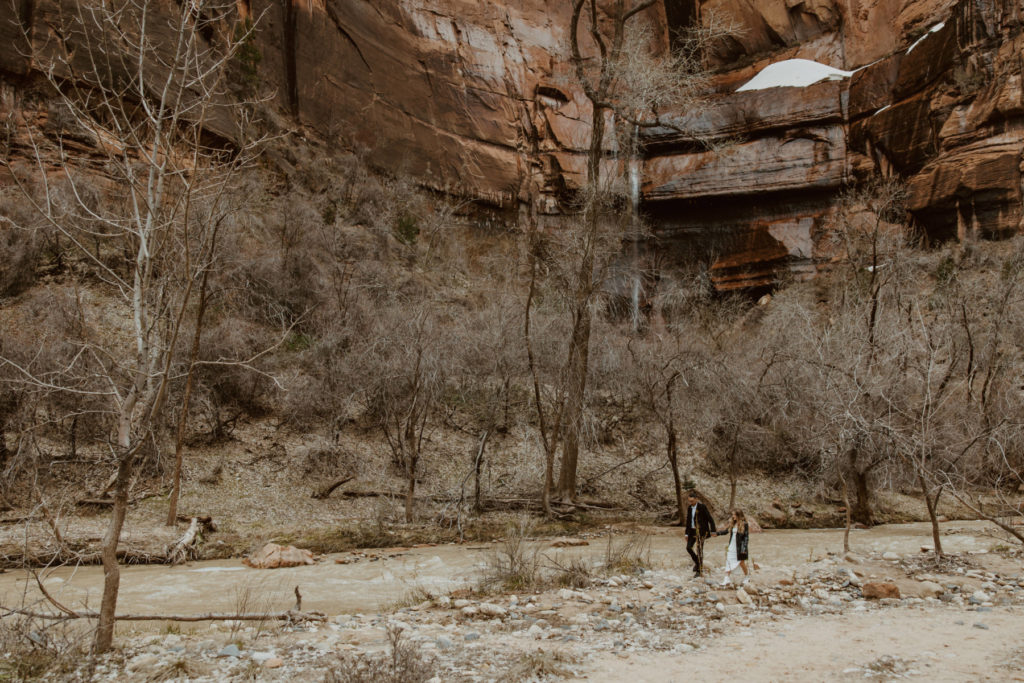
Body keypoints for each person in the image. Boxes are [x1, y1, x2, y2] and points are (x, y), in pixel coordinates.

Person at [715, 509, 750, 586]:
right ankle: (726, 578)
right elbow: (726, 531)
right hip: (732, 546)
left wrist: (744, 548)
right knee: (728, 561)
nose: (732, 516)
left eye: (734, 515)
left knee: (741, 563)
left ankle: (747, 576)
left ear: (738, 515)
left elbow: (746, 538)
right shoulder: (733, 523)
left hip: (740, 547)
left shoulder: (744, 524)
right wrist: (717, 533)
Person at [684, 491, 715, 576]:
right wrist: (686, 533)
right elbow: (688, 521)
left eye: (692, 501)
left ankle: (699, 570)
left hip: (701, 532)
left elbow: (710, 519)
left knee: (699, 549)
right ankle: (698, 563)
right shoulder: (689, 508)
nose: (691, 503)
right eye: (689, 501)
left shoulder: (702, 507)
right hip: (692, 531)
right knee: (688, 547)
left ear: (697, 499)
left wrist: (713, 530)